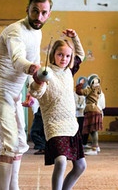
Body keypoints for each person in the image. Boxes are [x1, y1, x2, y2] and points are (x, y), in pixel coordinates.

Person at [0, 0, 53, 189]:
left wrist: (31, 92)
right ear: (27, 10)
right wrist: (34, 70)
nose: (38, 17)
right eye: (35, 11)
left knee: (21, 143)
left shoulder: (37, 32)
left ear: (48, 14)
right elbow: (18, 60)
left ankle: (14, 187)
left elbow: (35, 60)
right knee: (9, 144)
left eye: (43, 13)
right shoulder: (14, 31)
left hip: (15, 94)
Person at [29, 28, 86, 190]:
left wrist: (75, 37)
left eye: (68, 56)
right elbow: (35, 92)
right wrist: (39, 81)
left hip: (71, 125)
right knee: (60, 161)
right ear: (53, 54)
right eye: (60, 54)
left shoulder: (68, 71)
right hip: (54, 125)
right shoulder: (46, 72)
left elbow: (81, 55)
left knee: (81, 166)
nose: (64, 58)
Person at [76, 74, 103, 155]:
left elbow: (79, 92)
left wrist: (80, 84)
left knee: (93, 130)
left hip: (91, 110)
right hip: (96, 109)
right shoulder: (98, 89)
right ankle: (96, 147)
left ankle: (94, 148)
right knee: (94, 130)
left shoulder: (90, 89)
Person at [74, 76, 87, 147]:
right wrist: (80, 106)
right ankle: (79, 142)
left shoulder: (88, 90)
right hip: (80, 113)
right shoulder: (76, 93)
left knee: (86, 129)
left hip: (87, 112)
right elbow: (75, 102)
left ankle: (84, 142)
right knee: (80, 127)